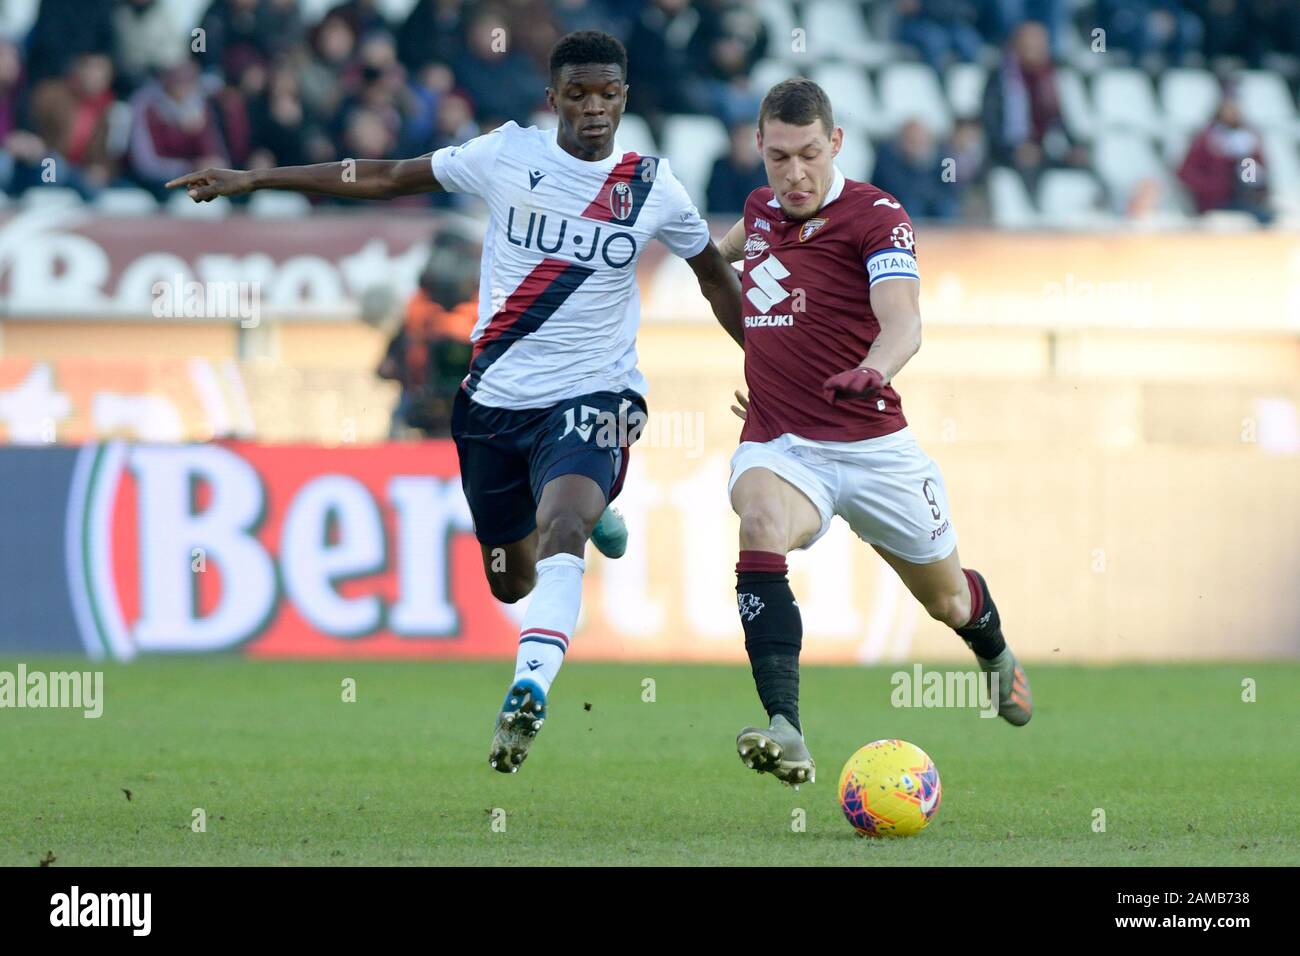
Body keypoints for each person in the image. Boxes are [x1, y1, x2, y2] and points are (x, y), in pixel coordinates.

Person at [167, 30, 744, 775]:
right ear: (553, 99)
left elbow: (713, 276)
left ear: (625, 97)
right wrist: (255, 180)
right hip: (494, 404)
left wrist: (765, 366)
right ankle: (591, 506)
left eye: (608, 94)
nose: (594, 109)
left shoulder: (653, 187)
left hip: (595, 393)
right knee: (510, 574)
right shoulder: (508, 154)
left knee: (562, 521)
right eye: (578, 95)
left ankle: (528, 686)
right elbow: (381, 176)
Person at [716, 79, 1032, 787]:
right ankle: (786, 728)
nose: (793, 174)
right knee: (760, 521)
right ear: (758, 152)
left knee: (947, 599)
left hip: (874, 449)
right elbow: (715, 263)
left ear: (835, 144)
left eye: (807, 155)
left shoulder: (877, 216)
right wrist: (769, 365)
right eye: (776, 158)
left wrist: (873, 369)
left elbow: (905, 321)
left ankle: (993, 651)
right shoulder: (759, 210)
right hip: (783, 443)